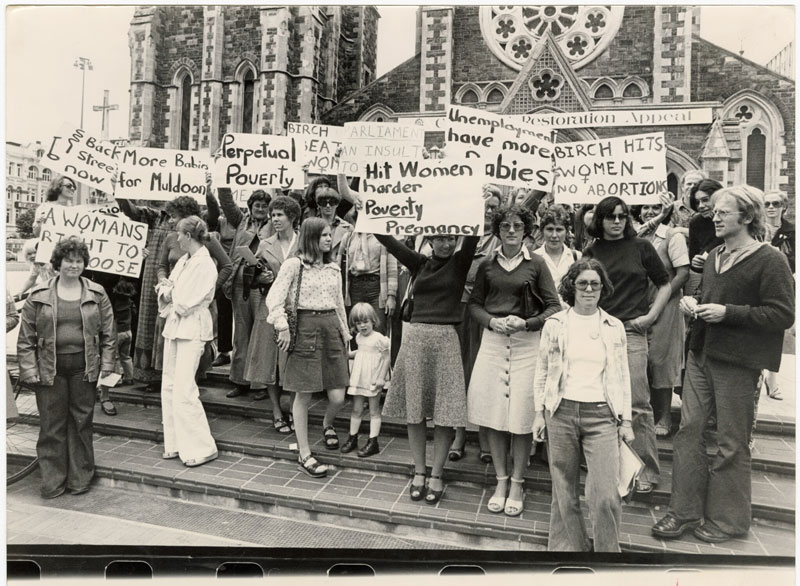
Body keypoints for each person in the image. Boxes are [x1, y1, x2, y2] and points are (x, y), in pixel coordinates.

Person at [652, 185, 794, 544]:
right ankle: (683, 513)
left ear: (746, 217)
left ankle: (729, 521)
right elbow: (710, 298)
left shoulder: (770, 259)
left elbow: (783, 314)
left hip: (738, 363)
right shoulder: (714, 255)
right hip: (701, 356)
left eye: (722, 212)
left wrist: (728, 313)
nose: (713, 217)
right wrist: (694, 304)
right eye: (714, 211)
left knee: (731, 442)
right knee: (689, 432)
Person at [532, 258, 634, 551]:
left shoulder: (614, 326)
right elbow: (542, 370)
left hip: (602, 415)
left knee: (604, 494)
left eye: (595, 284)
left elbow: (623, 375)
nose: (589, 289)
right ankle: (569, 553)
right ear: (571, 287)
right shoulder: (555, 324)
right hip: (560, 411)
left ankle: (607, 558)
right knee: (563, 491)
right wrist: (539, 413)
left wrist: (626, 421)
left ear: (603, 288)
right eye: (582, 283)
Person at [374, 229, 480, 505]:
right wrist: (366, 206)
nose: (446, 243)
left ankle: (436, 473)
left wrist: (476, 206)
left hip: (446, 339)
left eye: (451, 238)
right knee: (415, 411)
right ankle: (419, 471)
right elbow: (386, 238)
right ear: (430, 240)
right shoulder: (419, 263)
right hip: (417, 338)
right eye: (440, 238)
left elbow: (474, 234)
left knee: (444, 413)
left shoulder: (461, 261)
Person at [468, 204, 561, 517]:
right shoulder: (487, 264)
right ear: (498, 230)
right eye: (505, 226)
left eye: (517, 226)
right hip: (493, 344)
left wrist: (528, 323)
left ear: (526, 230)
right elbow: (475, 305)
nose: (511, 231)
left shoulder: (537, 263)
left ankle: (518, 483)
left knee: (521, 418)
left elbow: (553, 307)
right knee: (494, 415)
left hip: (526, 346)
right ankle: (501, 480)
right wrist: (490, 322)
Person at [583, 196, 672, 494]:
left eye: (622, 216)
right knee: (599, 402)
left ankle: (645, 469)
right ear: (601, 220)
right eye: (611, 217)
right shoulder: (592, 251)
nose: (617, 221)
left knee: (637, 403)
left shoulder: (642, 247)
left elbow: (665, 283)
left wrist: (651, 316)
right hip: (599, 331)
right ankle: (609, 466)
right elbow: (581, 287)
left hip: (632, 333)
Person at [17, 237, 117, 498]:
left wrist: (107, 363)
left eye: (78, 261)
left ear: (84, 263)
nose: (73, 265)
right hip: (49, 368)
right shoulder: (39, 295)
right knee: (51, 424)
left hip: (84, 367)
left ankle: (80, 478)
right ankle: (52, 480)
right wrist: (29, 369)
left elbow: (108, 332)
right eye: (68, 260)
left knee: (81, 421)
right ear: (57, 263)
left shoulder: (97, 293)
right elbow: (26, 337)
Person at [266, 218, 351, 478]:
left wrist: (346, 335)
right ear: (310, 238)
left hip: (331, 330)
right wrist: (282, 327)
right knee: (303, 395)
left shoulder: (334, 269)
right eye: (323, 235)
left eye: (329, 235)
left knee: (338, 395)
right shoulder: (294, 265)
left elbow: (338, 305)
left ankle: (327, 424)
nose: (329, 239)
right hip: (304, 329)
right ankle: (304, 453)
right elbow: (274, 299)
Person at [156, 216, 219, 467]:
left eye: (180, 234)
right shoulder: (184, 260)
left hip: (192, 327)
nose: (177, 238)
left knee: (184, 388)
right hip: (175, 326)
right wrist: (169, 291)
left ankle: (202, 446)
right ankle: (175, 443)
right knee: (169, 385)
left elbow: (182, 300)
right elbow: (169, 288)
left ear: (189, 236)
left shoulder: (205, 264)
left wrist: (169, 292)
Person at [450, 188, 502, 462]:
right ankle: (459, 433)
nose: (489, 210)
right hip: (457, 306)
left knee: (482, 371)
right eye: (486, 206)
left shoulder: (501, 236)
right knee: (458, 369)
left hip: (486, 309)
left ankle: (483, 435)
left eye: (494, 207)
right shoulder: (459, 231)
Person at [156, 196, 233, 379]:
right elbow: (162, 266)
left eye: (174, 216)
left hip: (195, 302)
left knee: (192, 350)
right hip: (173, 298)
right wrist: (163, 280)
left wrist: (209, 289)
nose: (170, 220)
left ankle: (194, 381)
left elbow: (227, 265)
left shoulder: (205, 240)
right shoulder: (171, 238)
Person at [244, 195, 302, 430]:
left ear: (293, 217)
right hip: (269, 308)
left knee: (295, 361)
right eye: (273, 215)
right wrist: (259, 278)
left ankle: (295, 410)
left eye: (280, 215)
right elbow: (250, 276)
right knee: (270, 360)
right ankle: (277, 411)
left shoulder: (304, 243)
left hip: (298, 308)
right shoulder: (265, 244)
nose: (275, 219)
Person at [636, 203, 690, 437]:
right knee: (639, 359)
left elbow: (683, 272)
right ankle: (642, 415)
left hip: (666, 305)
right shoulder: (635, 234)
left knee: (661, 358)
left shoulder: (671, 235)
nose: (650, 211)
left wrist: (663, 298)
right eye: (646, 207)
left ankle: (664, 416)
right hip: (637, 303)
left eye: (656, 207)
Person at [218, 187, 274, 399]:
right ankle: (239, 381)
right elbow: (226, 201)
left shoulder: (275, 223)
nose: (260, 208)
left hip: (262, 285)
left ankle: (259, 385)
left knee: (261, 334)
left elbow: (291, 201)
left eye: (264, 206)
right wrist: (221, 176)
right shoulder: (241, 221)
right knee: (241, 334)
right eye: (257, 205)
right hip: (239, 283)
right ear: (250, 206)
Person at [117, 197, 174, 391]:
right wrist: (120, 190)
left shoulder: (189, 218)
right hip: (152, 276)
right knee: (150, 323)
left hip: (175, 275)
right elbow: (130, 210)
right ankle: (152, 376)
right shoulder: (155, 216)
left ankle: (171, 376)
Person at [341, 303, 391, 458]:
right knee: (356, 409)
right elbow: (362, 352)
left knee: (374, 410)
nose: (362, 326)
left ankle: (373, 441)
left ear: (373, 321)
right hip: (359, 378)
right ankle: (353, 437)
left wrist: (381, 377)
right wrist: (349, 355)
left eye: (365, 321)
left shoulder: (379, 339)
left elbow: (386, 357)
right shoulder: (359, 337)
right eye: (358, 323)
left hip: (373, 379)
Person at [760, 190, 795, 401]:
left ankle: (772, 380)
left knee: (775, 332)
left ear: (784, 207)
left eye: (775, 204)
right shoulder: (755, 228)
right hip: (756, 286)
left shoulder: (792, 232)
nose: (771, 208)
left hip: (780, 286)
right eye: (767, 204)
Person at [341, 224, 398, 336]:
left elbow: (392, 267)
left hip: (376, 288)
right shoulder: (349, 237)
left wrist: (391, 296)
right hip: (355, 287)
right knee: (356, 330)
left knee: (378, 329)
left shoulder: (384, 235)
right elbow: (339, 262)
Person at [533, 205, 582, 309]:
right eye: (550, 229)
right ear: (542, 231)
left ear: (567, 231)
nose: (554, 235)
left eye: (559, 230)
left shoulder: (576, 257)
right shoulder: (533, 257)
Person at [686, 179, 724, 297]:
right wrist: (697, 261)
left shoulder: (730, 219)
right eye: (697, 202)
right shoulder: (696, 222)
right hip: (706, 277)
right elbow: (693, 257)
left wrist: (706, 254)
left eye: (705, 200)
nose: (701, 206)